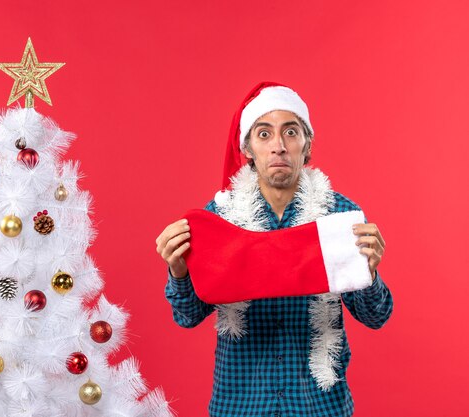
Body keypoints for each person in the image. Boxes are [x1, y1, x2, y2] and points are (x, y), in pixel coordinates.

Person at [155, 82, 393, 417]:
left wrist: (369, 271)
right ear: (248, 148)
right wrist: (178, 271)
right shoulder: (220, 218)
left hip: (319, 405)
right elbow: (187, 316)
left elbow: (375, 316)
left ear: (306, 145)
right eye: (264, 134)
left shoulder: (339, 216)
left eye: (290, 132)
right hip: (240, 403)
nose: (278, 146)